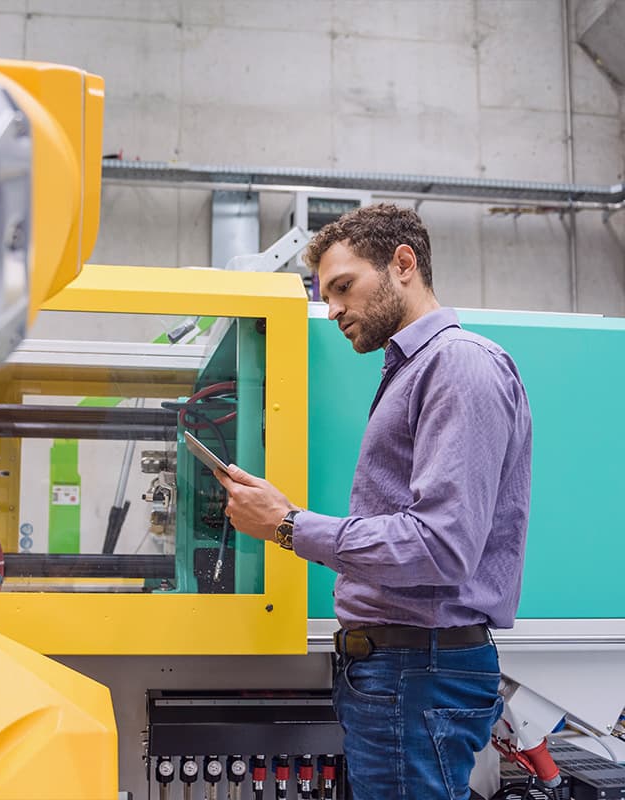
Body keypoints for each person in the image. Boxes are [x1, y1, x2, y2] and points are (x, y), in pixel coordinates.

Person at [214, 203, 532, 800]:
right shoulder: (412, 372)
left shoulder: (456, 366)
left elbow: (440, 548)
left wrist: (287, 525)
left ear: (402, 264)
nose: (331, 310)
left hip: (417, 673)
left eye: (343, 287)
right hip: (401, 670)